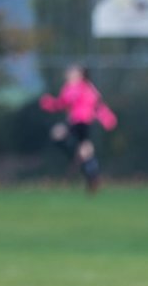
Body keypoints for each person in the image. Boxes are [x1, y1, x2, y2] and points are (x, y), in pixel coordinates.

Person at [39, 64, 117, 193]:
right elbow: (62, 103)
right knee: (71, 143)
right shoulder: (68, 88)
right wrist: (50, 104)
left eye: (72, 72)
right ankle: (91, 175)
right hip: (74, 122)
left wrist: (106, 117)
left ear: (79, 75)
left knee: (82, 148)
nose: (69, 74)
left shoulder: (86, 88)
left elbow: (97, 105)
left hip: (84, 122)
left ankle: (92, 176)